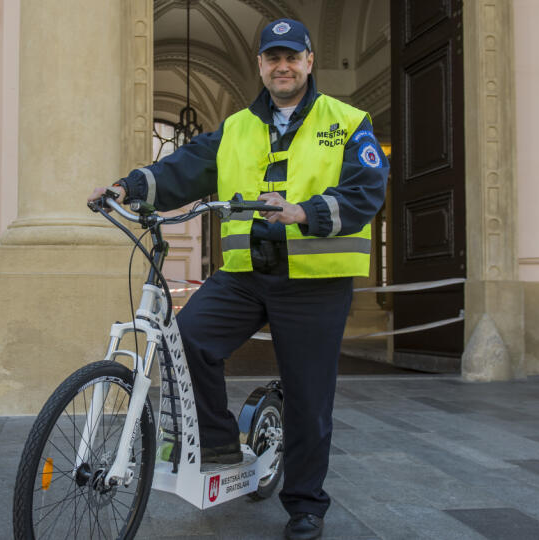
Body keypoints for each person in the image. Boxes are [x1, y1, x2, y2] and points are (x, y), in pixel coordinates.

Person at [89, 18, 387, 540]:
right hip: (247, 273)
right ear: (261, 67)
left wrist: (305, 212)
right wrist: (128, 186)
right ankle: (220, 443)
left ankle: (305, 504)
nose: (283, 66)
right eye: (273, 58)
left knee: (308, 395)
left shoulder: (347, 121)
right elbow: (183, 166)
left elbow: (365, 191)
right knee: (187, 337)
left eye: (292, 56)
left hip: (315, 280)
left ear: (309, 61)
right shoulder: (236, 128)